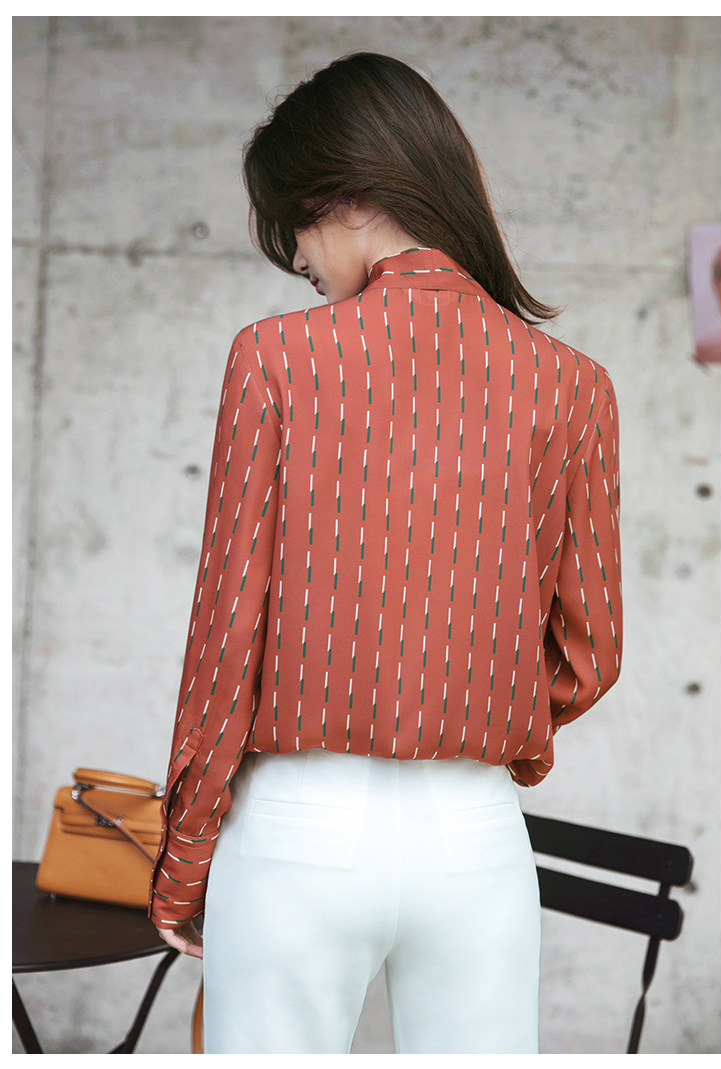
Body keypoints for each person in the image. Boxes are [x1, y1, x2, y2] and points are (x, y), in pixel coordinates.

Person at [148, 52, 622, 1054]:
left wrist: (184, 859)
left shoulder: (277, 358)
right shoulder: (573, 385)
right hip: (477, 843)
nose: (301, 258)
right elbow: (590, 654)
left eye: (298, 228)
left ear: (352, 196)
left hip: (299, 833)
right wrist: (483, 714)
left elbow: (226, 644)